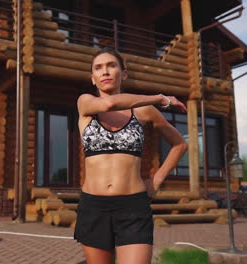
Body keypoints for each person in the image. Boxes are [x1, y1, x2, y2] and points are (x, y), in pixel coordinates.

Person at [74, 48, 188, 264]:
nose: (105, 71)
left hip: (133, 207)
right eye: (98, 68)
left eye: (111, 65)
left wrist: (157, 180)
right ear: (92, 78)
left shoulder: (144, 111)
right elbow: (109, 104)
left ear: (123, 74)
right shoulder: (85, 103)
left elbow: (180, 144)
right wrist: (160, 98)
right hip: (93, 206)